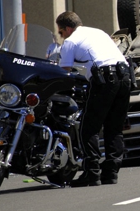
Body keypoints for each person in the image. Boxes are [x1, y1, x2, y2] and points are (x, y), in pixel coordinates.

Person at [56, 11, 131, 187]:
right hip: (125, 77)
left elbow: (63, 72)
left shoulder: (70, 41)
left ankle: (92, 173)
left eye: (60, 32)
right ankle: (111, 174)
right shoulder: (98, 32)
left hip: (105, 80)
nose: (61, 36)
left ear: (67, 28)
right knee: (114, 129)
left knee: (89, 129)